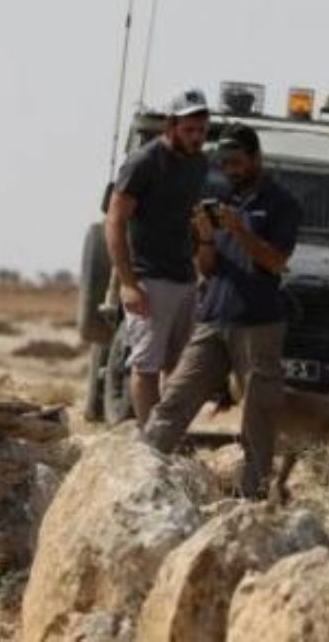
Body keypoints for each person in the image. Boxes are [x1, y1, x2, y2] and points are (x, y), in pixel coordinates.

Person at [144, 124, 301, 500]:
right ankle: (140, 474)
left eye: (237, 161)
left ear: (256, 158)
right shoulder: (220, 199)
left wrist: (239, 228)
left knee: (258, 419)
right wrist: (205, 235)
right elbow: (208, 267)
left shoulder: (282, 203)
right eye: (225, 162)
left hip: (258, 324)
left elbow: (275, 262)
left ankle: (252, 502)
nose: (230, 169)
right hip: (213, 319)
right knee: (174, 401)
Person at [105, 89, 210, 426]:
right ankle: (151, 441)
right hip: (149, 277)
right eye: (189, 130)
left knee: (179, 367)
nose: (196, 137)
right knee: (146, 365)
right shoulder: (144, 162)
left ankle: (168, 436)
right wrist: (128, 283)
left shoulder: (199, 164)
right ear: (171, 126)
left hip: (185, 278)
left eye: (201, 130)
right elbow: (115, 221)